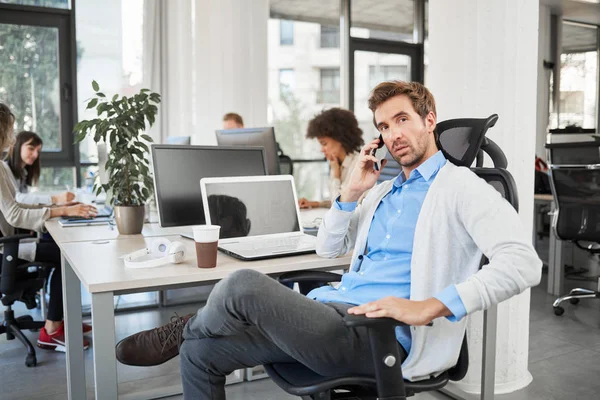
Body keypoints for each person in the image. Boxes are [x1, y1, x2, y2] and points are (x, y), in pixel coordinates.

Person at [114, 81, 542, 399]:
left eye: (402, 120)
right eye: (383, 126)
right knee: (200, 354)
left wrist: (432, 304)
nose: (393, 134)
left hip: (377, 334)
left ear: (429, 121)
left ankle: (185, 326)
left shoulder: (461, 188)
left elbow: (523, 263)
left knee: (242, 284)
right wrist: (349, 194)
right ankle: (189, 335)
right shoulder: (382, 192)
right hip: (326, 315)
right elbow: (328, 249)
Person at [0, 103, 97, 351]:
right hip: (7, 249)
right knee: (70, 257)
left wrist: (60, 209)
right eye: (10, 130)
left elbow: (16, 207)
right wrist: (61, 209)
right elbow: (14, 213)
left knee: (61, 247)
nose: (12, 136)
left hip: (12, 242)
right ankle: (51, 330)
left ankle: (62, 320)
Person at [298, 108, 364, 209]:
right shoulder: (337, 164)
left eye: (324, 144)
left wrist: (336, 176)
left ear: (340, 139)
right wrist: (315, 204)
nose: (322, 150)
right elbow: (338, 198)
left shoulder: (358, 165)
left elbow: (340, 206)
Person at [3, 130, 75, 205]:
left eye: (38, 151)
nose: (35, 155)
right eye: (31, 148)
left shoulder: (23, 172)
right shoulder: (4, 169)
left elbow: (25, 202)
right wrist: (55, 199)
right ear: (17, 146)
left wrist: (59, 205)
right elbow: (17, 198)